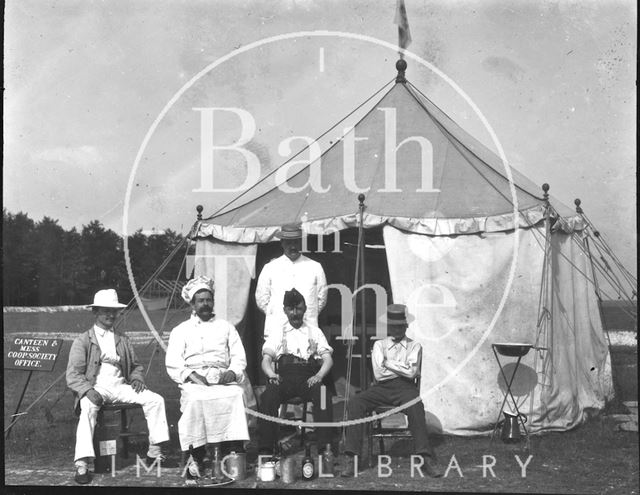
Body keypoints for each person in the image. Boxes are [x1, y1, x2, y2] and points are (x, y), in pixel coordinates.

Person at [66, 289, 172, 485]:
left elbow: (135, 366)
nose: (110, 315)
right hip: (97, 386)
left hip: (120, 385)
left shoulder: (122, 339)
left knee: (155, 400)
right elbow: (73, 375)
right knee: (87, 408)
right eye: (105, 311)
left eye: (113, 311)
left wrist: (137, 377)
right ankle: (82, 464)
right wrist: (88, 391)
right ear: (95, 312)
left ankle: (154, 452)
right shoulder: (83, 340)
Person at [341, 304, 443, 478]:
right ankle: (353, 458)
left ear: (406, 326)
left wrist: (387, 362)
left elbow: (411, 374)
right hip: (381, 388)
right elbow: (379, 374)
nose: (396, 329)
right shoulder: (379, 344)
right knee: (356, 402)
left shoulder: (415, 346)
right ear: (388, 326)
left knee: (416, 406)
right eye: (393, 326)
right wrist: (402, 367)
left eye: (400, 325)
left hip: (405, 388)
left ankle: (425, 457)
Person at [165, 275, 250, 480]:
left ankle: (233, 450)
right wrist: (191, 375)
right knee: (196, 399)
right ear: (193, 304)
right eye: (200, 300)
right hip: (195, 380)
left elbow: (239, 357)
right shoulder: (181, 330)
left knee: (236, 395)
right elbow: (173, 362)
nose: (205, 304)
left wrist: (232, 372)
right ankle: (196, 455)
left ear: (213, 302)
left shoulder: (226, 327)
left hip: (221, 377)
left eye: (208, 299)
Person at [257, 288, 334, 454]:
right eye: (291, 309)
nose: (295, 313)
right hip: (284, 377)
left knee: (322, 395)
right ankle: (266, 449)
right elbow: (266, 360)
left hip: (308, 376)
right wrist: (271, 374)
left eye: (298, 309)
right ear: (285, 310)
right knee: (268, 396)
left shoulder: (315, 331)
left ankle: (325, 448)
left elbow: (328, 359)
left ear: (305, 309)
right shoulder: (278, 332)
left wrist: (319, 375)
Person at [255, 223, 328, 340]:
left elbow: (321, 299)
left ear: (301, 242)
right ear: (282, 243)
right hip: (277, 330)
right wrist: (276, 313)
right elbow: (261, 299)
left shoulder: (315, 267)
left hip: (307, 329)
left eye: (296, 242)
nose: (293, 246)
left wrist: (306, 314)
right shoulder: (270, 268)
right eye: (289, 242)